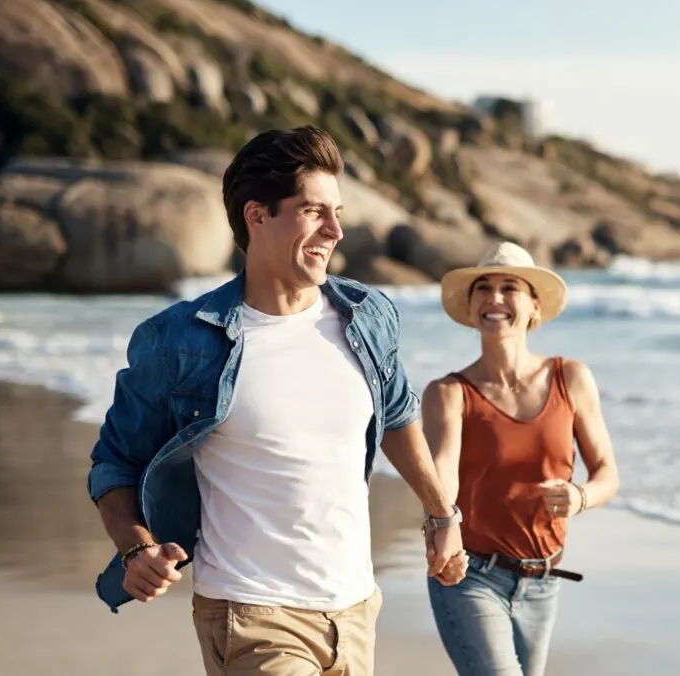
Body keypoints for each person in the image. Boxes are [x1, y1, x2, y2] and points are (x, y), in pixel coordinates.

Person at [86, 125, 467, 676]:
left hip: (355, 608)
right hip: (250, 611)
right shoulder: (180, 338)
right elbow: (115, 462)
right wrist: (135, 548)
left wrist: (441, 514)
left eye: (336, 212)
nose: (335, 230)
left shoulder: (367, 316)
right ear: (256, 215)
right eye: (314, 211)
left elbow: (398, 413)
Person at [421, 241, 621, 676]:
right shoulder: (449, 393)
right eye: (483, 289)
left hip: (544, 580)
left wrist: (580, 497)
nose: (494, 298)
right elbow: (443, 474)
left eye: (509, 287)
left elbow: (607, 472)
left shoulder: (571, 378)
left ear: (533, 307)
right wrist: (441, 524)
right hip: (469, 574)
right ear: (472, 309)